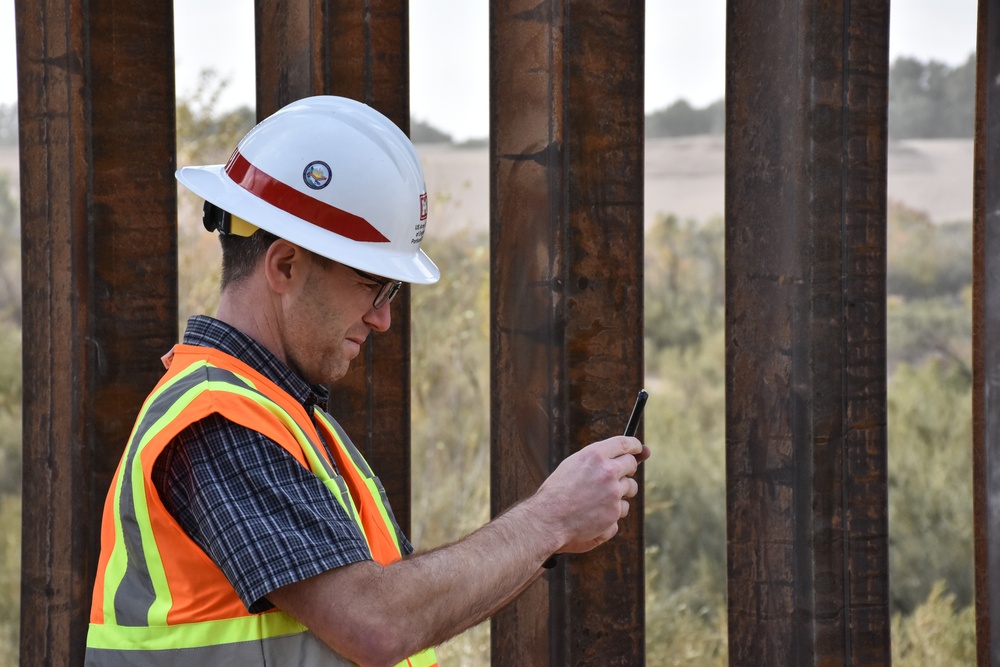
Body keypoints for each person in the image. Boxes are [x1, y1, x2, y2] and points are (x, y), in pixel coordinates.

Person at [84, 96, 649, 666]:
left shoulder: (283, 414)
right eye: (372, 285)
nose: (382, 318)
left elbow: (404, 617)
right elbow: (375, 624)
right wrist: (548, 518)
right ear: (284, 266)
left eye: (391, 292)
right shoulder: (218, 421)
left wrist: (549, 536)